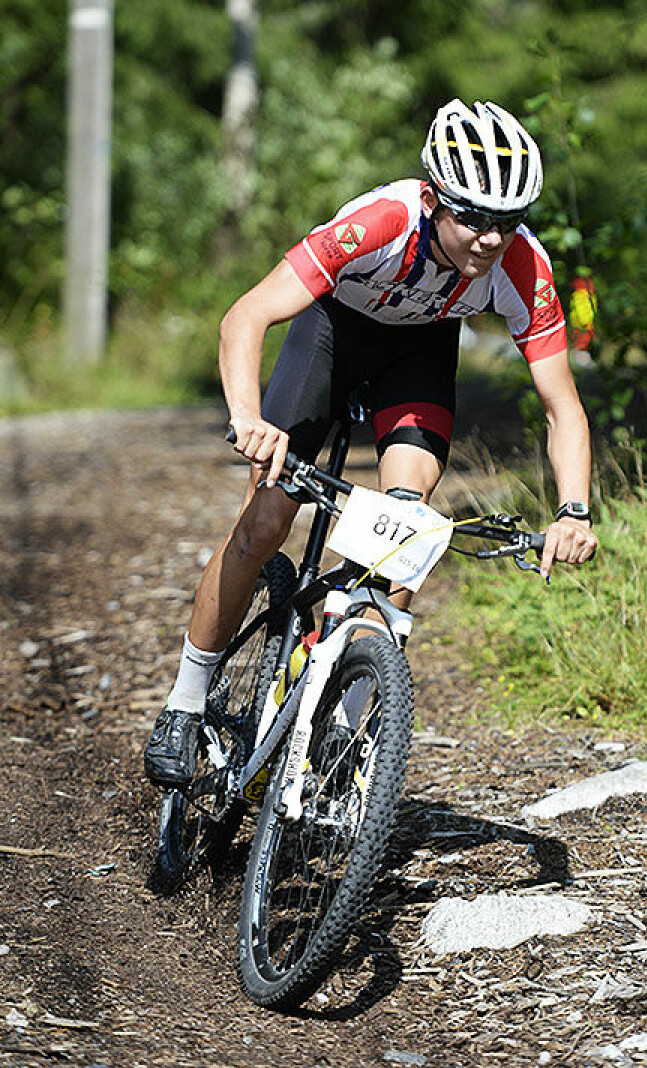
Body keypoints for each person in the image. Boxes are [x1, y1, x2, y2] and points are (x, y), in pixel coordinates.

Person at [144, 98, 599, 788]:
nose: (486, 239)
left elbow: (562, 405)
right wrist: (248, 417)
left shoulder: (523, 267)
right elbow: (248, 315)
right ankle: (184, 703)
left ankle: (345, 724)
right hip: (332, 334)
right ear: (434, 197)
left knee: (407, 532)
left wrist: (573, 509)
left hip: (416, 359)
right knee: (266, 520)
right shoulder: (381, 221)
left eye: (503, 224)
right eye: (471, 217)